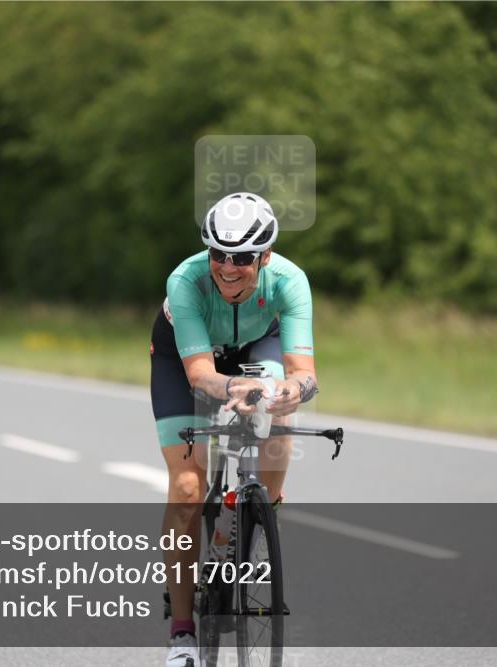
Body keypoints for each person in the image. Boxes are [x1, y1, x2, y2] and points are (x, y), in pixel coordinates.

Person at [151, 193, 319, 667]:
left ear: (265, 256)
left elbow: (304, 372)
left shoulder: (290, 281)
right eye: (218, 254)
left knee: (278, 412)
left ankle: (263, 508)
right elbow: (202, 376)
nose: (228, 267)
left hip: (255, 342)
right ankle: (182, 634)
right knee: (187, 488)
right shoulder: (186, 281)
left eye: (242, 258)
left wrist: (292, 390)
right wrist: (237, 386)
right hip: (186, 357)